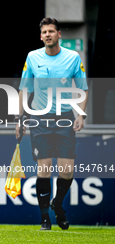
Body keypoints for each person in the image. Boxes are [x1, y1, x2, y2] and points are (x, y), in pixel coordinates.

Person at [15, 18, 88, 230]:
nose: (47, 35)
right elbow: (24, 90)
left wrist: (80, 115)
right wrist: (20, 120)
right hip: (39, 120)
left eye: (51, 31)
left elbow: (83, 89)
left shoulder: (73, 58)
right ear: (41, 36)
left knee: (67, 171)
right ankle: (45, 217)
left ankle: (58, 204)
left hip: (65, 118)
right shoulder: (32, 57)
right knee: (44, 170)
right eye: (44, 32)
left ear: (59, 34)